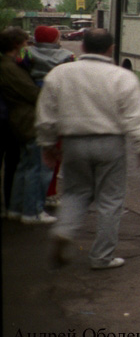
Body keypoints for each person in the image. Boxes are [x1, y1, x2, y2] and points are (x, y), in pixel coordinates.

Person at [37, 28, 140, 270]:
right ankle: (102, 256)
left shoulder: (60, 74)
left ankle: (64, 230)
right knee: (110, 200)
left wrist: (48, 144)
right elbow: (135, 116)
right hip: (110, 144)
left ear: (83, 47)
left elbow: (46, 115)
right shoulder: (122, 77)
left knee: (74, 192)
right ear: (110, 48)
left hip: (73, 143)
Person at [0, 27, 54, 224]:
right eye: (25, 43)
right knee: (35, 167)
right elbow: (32, 94)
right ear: (16, 45)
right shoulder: (10, 68)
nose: (27, 46)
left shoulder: (10, 65)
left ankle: (16, 208)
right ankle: (32, 211)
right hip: (26, 120)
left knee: (24, 166)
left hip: (19, 119)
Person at [25, 25, 75, 208]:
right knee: (54, 152)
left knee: (30, 157)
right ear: (55, 39)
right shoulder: (67, 56)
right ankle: (49, 193)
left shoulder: (27, 54)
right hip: (57, 102)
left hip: (31, 100)